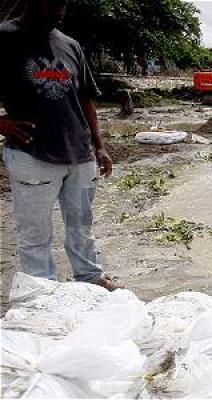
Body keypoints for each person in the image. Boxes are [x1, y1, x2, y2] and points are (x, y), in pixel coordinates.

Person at [0, 0, 121, 290]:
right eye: (53, 4)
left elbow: (86, 98)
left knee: (82, 224)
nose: (60, 10)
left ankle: (91, 278)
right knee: (35, 233)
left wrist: (99, 146)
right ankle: (43, 291)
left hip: (79, 154)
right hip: (32, 155)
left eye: (63, 4)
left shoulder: (71, 45)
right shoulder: (5, 37)